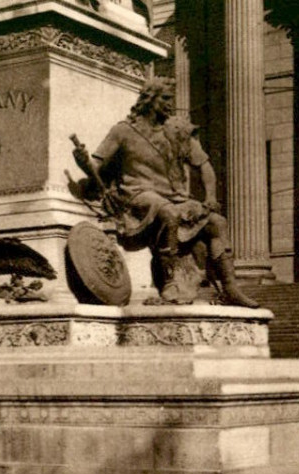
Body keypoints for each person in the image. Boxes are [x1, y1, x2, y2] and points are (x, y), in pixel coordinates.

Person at [71, 78, 258, 306]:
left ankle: (230, 287)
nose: (171, 104)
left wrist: (210, 197)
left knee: (217, 222)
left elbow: (205, 167)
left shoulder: (178, 130)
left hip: (175, 198)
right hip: (137, 196)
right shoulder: (123, 131)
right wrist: (83, 163)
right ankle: (170, 282)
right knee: (167, 213)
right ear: (149, 100)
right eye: (166, 98)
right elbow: (96, 167)